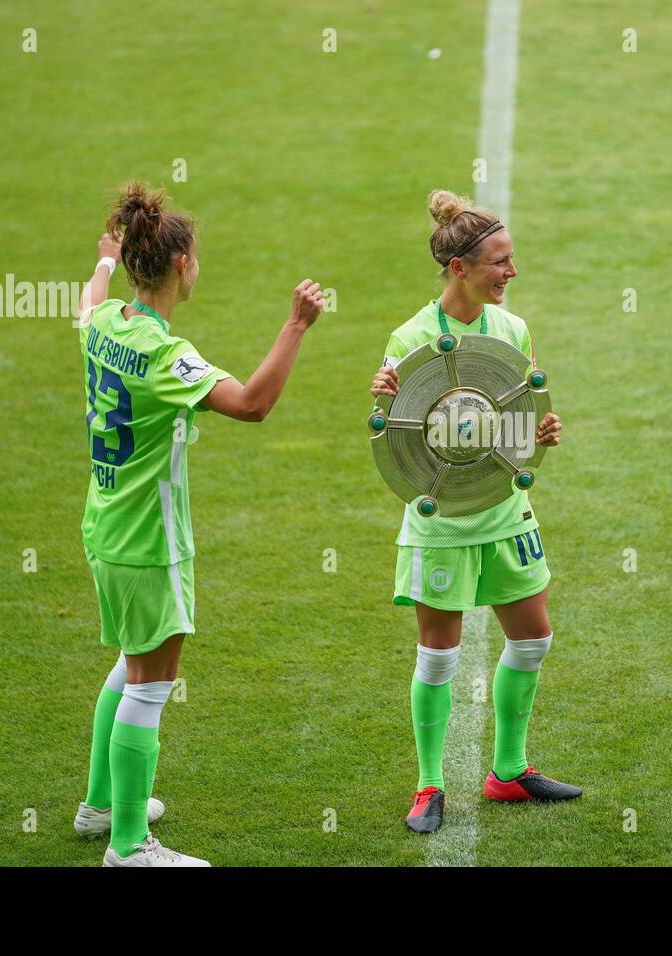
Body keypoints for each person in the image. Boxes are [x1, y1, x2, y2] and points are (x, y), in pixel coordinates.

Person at [72, 182, 325, 865]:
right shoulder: (163, 354)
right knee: (151, 683)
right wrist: (296, 325)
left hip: (106, 525)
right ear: (182, 265)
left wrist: (101, 262)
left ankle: (102, 806)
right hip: (149, 542)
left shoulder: (107, 324)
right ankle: (129, 846)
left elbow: (85, 304)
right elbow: (250, 404)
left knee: (129, 665)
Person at [369, 190, 579, 835]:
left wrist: (539, 434)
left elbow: (517, 421)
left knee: (533, 638)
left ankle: (508, 771)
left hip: (507, 513)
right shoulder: (411, 338)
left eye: (512, 260)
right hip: (443, 523)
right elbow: (394, 435)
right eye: (500, 262)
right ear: (459, 267)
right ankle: (430, 785)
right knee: (439, 656)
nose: (511, 273)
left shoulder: (511, 330)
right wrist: (380, 396)